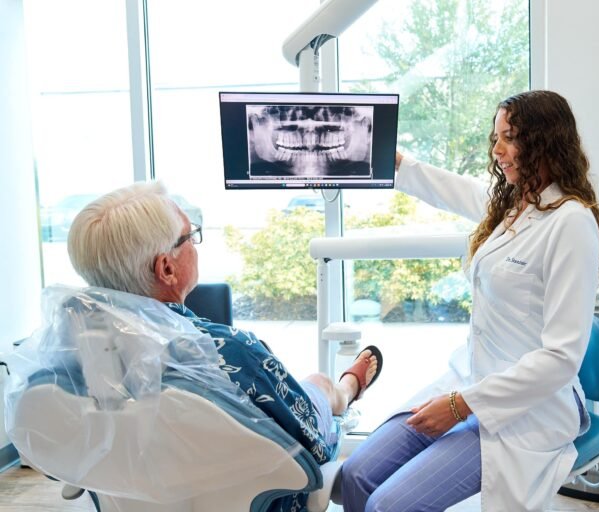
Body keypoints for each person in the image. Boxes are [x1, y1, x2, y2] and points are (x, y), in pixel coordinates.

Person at [341, 90, 599, 512]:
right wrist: (394, 162)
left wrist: (460, 406)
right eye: (496, 138)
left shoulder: (571, 223)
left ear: (545, 140)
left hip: (524, 412)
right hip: (468, 381)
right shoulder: (515, 205)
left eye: (509, 137)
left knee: (388, 506)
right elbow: (454, 191)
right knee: (354, 476)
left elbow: (561, 358)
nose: (498, 150)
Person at [66, 181, 383, 511]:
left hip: (138, 497)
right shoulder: (230, 352)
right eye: (190, 237)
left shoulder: (73, 356)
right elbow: (310, 445)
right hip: (258, 499)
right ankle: (345, 391)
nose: (195, 245)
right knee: (317, 385)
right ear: (167, 268)